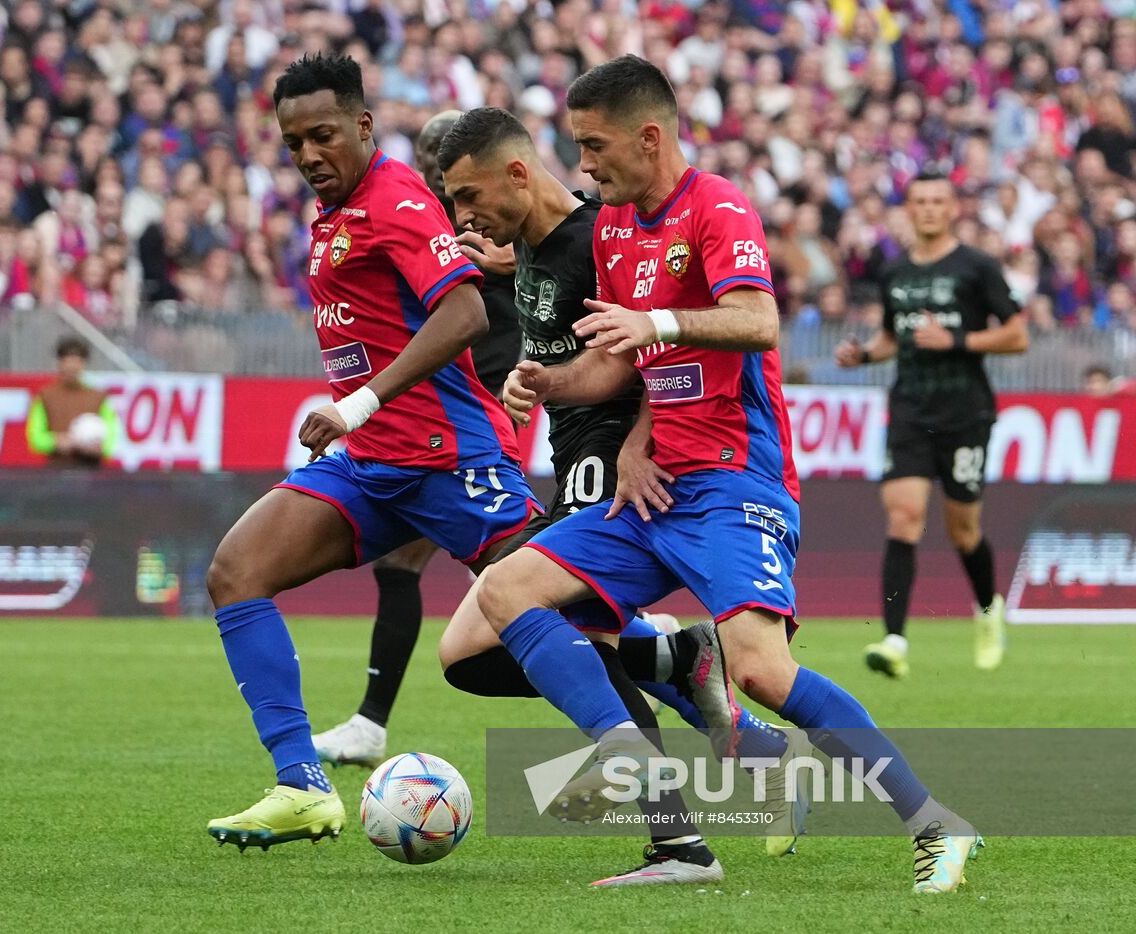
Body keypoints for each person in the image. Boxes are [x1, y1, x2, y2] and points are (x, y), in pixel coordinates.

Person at [480, 56, 979, 893]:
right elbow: (621, 365)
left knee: (759, 671)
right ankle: (650, 795)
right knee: (507, 592)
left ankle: (937, 825)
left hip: (735, 479)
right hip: (656, 483)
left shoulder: (718, 207)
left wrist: (656, 321)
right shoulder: (609, 226)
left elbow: (757, 322)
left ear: (650, 135)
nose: (586, 165)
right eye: (577, 146)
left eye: (595, 146)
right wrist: (551, 382)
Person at [432, 106, 809, 874]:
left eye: (467, 199)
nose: (459, 218)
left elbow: (652, 346)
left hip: (613, 459)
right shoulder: (533, 247)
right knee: (468, 653)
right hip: (573, 453)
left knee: (550, 630)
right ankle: (682, 665)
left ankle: (673, 833)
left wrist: (641, 439)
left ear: (514, 173)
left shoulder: (595, 234)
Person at [204, 54, 543, 852]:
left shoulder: (397, 199)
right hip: (373, 464)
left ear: (362, 124)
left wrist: (357, 403)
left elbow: (463, 313)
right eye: (293, 144)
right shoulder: (338, 211)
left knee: (564, 615)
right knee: (236, 572)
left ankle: (683, 672)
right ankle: (301, 785)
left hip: (449, 458)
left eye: (323, 135)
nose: (309, 155)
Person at [308, 109, 525, 771]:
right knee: (418, 568)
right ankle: (370, 725)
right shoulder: (412, 213)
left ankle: (652, 649)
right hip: (425, 421)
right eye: (429, 153)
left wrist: (510, 266)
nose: (436, 167)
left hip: (482, 417)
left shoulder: (491, 218)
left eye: (446, 154)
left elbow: (543, 274)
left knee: (517, 585)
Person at [835, 173, 1028, 677]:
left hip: (966, 413)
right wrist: (863, 356)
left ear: (953, 208)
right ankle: (894, 640)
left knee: (964, 530)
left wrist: (959, 341)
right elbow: (893, 338)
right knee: (903, 516)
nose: (928, 209)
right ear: (909, 207)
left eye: (938, 200)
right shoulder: (895, 272)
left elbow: (1017, 335)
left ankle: (988, 610)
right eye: (919, 200)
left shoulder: (977, 266)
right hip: (910, 410)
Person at [25, 336, 120, 467]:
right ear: (59, 363)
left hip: (92, 473)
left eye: (77, 362)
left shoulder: (98, 397)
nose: (72, 367)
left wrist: (99, 448)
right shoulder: (46, 396)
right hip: (57, 471)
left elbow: (112, 436)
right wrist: (56, 442)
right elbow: (35, 438)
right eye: (67, 362)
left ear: (84, 364)